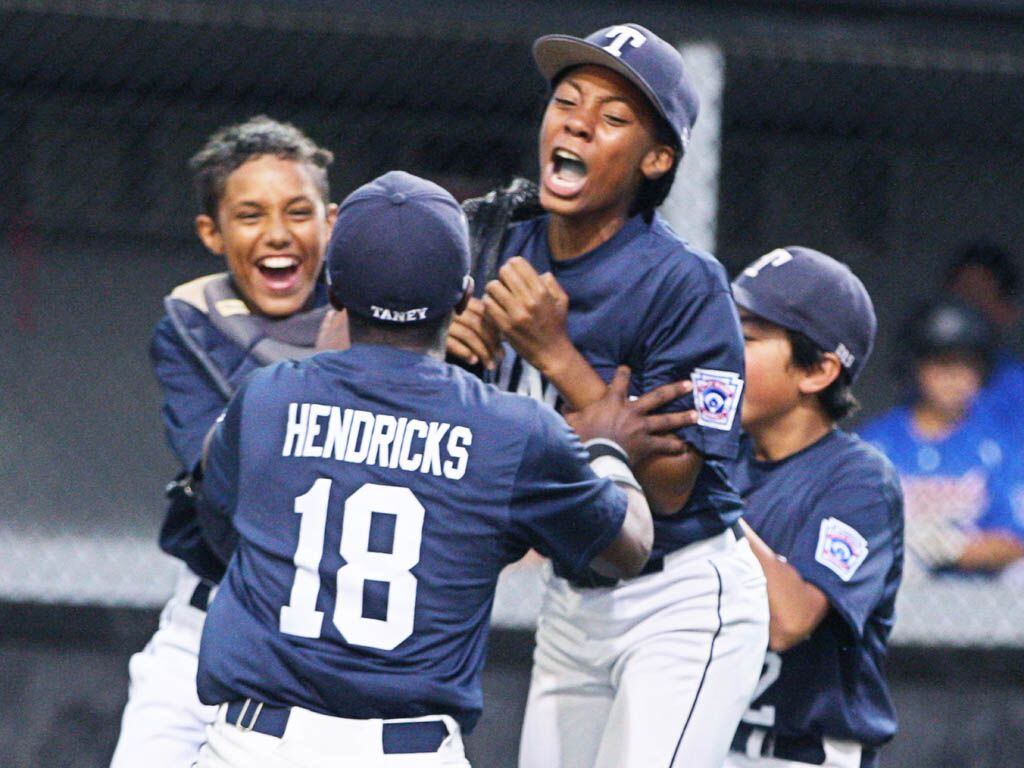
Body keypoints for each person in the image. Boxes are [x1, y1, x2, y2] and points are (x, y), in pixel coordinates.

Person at [192, 171, 696, 768]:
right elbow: (628, 549)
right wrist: (605, 445)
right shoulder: (514, 429)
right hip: (410, 751)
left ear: (333, 292)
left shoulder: (267, 396)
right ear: (462, 298)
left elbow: (218, 521)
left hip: (253, 744)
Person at [447, 23, 769, 768]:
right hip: (570, 597)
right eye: (567, 99)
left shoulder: (685, 286)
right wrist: (448, 361)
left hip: (682, 598)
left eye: (614, 116)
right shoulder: (498, 247)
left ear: (656, 160)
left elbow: (671, 486)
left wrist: (554, 353)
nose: (579, 121)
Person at [110, 116, 344, 768]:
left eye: (299, 211)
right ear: (212, 232)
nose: (277, 232)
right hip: (211, 615)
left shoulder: (381, 314)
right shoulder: (191, 324)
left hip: (334, 639)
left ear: (332, 220)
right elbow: (220, 467)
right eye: (250, 214)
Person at [723, 246, 905, 768]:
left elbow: (789, 619)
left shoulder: (858, 480)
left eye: (749, 338)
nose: (722, 349)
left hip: (800, 754)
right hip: (706, 737)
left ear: (819, 370)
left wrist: (704, 495)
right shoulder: (723, 455)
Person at [860, 301, 1024, 577]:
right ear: (916, 367)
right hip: (894, 593)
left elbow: (1015, 540)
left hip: (979, 599)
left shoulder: (997, 446)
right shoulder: (874, 445)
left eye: (966, 366)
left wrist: (956, 549)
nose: (954, 378)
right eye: (942, 364)